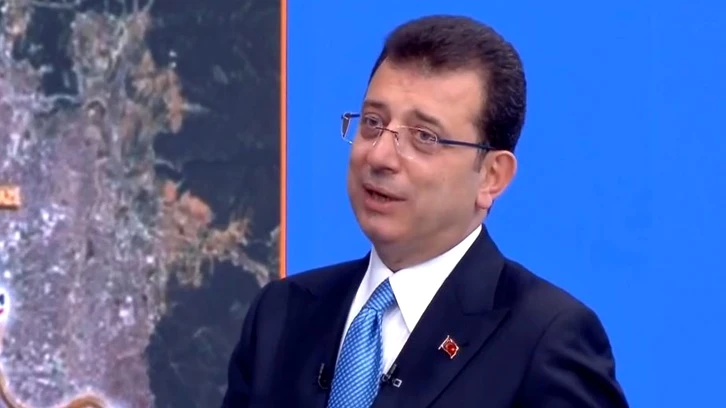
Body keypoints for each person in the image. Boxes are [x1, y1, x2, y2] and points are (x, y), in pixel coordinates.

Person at [222, 14, 629, 408]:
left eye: (424, 136)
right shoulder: (281, 313)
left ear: (492, 176)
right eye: (373, 122)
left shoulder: (545, 337)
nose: (380, 156)